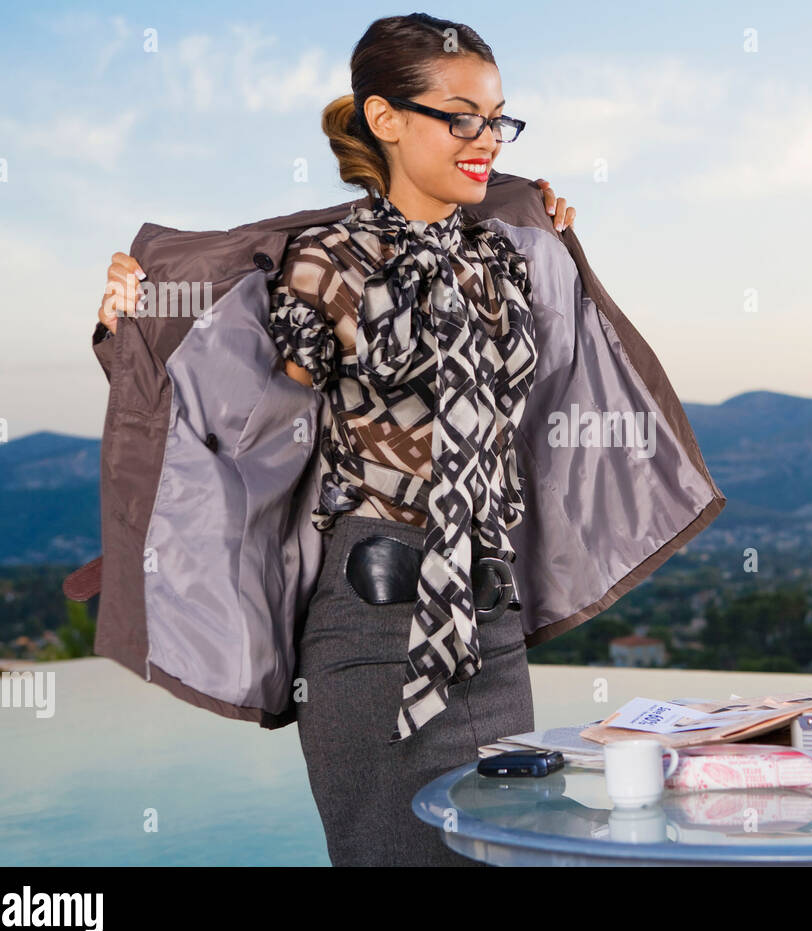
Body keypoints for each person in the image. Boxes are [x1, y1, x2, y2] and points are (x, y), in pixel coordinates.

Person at [98, 13, 577, 866]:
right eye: (461, 115)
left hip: (488, 625)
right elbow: (251, 421)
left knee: (516, 856)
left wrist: (538, 216)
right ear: (386, 118)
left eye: (499, 117)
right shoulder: (330, 258)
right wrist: (143, 331)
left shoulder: (505, 254)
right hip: (372, 629)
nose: (487, 139)